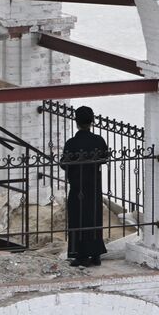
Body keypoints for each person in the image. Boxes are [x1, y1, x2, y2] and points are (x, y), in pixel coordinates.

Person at [60, 105, 110, 267]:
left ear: (76, 122)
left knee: (78, 219)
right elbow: (104, 158)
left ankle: (80, 255)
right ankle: (95, 254)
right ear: (92, 121)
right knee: (94, 217)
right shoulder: (99, 141)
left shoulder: (72, 143)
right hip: (94, 186)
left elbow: (64, 164)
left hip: (77, 187)